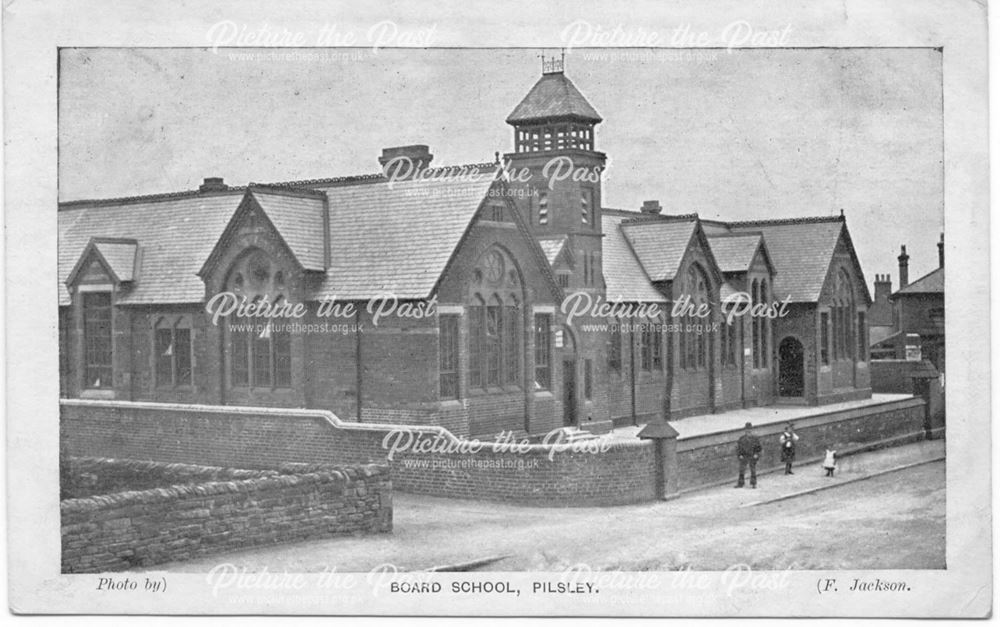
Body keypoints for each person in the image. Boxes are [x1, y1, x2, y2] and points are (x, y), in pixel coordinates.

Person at [735, 422, 762, 488]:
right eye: (747, 430)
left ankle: (753, 483)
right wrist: (740, 455)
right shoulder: (741, 439)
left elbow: (759, 448)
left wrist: (756, 454)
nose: (748, 431)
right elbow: (738, 448)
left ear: (751, 430)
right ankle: (741, 483)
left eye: (749, 430)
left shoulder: (755, 439)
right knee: (742, 470)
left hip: (752, 455)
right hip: (744, 456)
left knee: (753, 470)